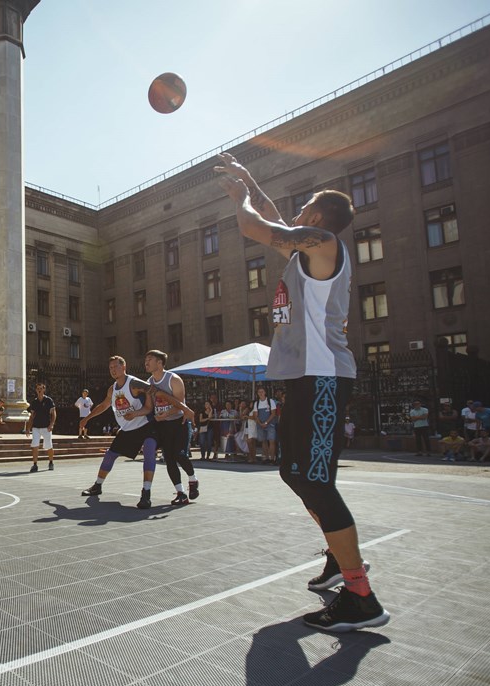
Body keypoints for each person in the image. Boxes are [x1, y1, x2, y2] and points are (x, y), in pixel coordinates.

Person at [218, 151, 388, 631]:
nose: (297, 209)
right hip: (304, 379)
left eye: (306, 204)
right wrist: (249, 179)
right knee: (295, 474)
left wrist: (242, 196)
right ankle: (339, 555)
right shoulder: (305, 251)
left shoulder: (324, 243)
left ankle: (361, 596)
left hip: (324, 377)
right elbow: (271, 217)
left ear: (317, 217)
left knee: (316, 481)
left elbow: (255, 225)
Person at [77, 355, 185, 509]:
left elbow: (153, 398)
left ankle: (146, 493)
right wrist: (87, 418)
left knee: (149, 451)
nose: (113, 370)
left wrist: (183, 408)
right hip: (128, 429)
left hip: (146, 425)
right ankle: (97, 485)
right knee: (110, 455)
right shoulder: (112, 389)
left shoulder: (134, 383)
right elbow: (103, 405)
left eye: (116, 367)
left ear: (124, 367)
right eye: (110, 368)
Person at [145, 350, 199, 504]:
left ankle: (193, 480)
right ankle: (181, 493)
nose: (146, 362)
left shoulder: (173, 379)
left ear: (160, 363)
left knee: (180, 455)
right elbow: (150, 406)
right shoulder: (149, 382)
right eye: (145, 359)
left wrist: (166, 413)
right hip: (163, 425)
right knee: (169, 459)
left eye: (150, 359)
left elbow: (180, 405)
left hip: (180, 422)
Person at [26, 383, 57, 472]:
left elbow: (54, 413)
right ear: (36, 390)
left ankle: (51, 462)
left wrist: (51, 424)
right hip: (36, 427)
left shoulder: (48, 400)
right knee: (35, 445)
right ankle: (35, 464)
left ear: (44, 390)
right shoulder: (34, 402)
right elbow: (32, 416)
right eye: (38, 389)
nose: (39, 390)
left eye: (41, 388)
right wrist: (28, 428)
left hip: (46, 427)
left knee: (49, 445)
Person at [253, 387, 279, 464]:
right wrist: (260, 423)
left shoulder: (270, 401)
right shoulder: (256, 403)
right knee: (263, 441)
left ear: (265, 392)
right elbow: (255, 415)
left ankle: (272, 458)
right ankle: (266, 458)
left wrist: (266, 423)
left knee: (271, 441)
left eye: (262, 391)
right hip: (260, 424)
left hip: (270, 424)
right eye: (259, 392)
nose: (261, 393)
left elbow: (273, 413)